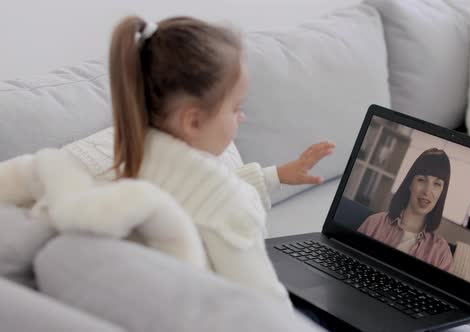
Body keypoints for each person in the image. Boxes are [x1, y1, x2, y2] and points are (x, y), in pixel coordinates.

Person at [107, 16, 335, 307]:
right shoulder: (229, 206)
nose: (243, 117)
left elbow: (196, 196)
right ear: (193, 121)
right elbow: (268, 311)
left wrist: (275, 175)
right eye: (235, 108)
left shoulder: (132, 168)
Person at [357, 148, 454, 271]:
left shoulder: (441, 253)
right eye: (421, 180)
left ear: (442, 192)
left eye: (437, 184)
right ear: (410, 183)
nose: (427, 191)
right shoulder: (374, 223)